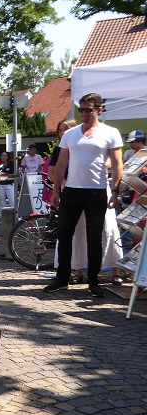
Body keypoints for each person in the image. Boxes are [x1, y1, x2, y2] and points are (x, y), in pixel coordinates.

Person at [44, 93, 124, 297]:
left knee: (94, 238)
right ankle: (62, 278)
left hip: (96, 191)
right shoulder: (70, 134)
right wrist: (55, 190)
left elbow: (116, 164)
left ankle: (93, 281)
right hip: (71, 190)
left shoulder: (110, 132)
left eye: (89, 109)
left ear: (99, 110)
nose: (84, 114)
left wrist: (115, 191)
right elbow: (61, 164)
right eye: (81, 110)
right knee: (64, 235)